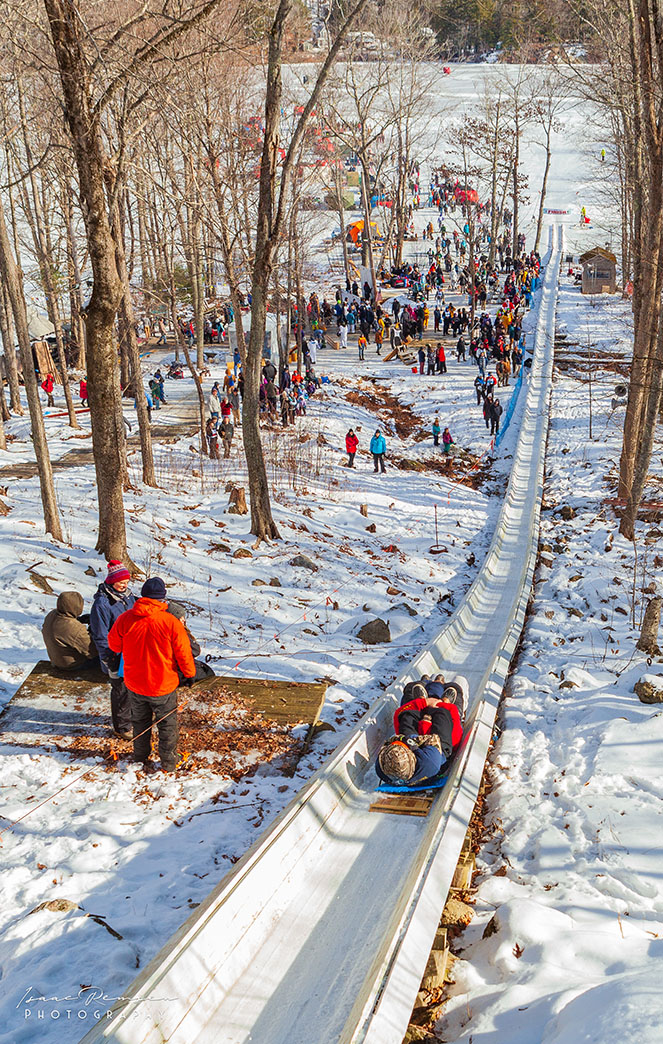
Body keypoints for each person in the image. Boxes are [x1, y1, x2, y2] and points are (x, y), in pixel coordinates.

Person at [108, 577, 195, 774]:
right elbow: (184, 653)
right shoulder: (170, 622)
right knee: (167, 725)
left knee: (140, 722)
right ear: (162, 598)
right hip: (162, 685)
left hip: (135, 683)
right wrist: (189, 674)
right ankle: (169, 763)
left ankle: (140, 757)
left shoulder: (126, 618)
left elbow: (114, 645)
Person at [375, 679, 465, 787]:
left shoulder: (380, 768)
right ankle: (439, 691)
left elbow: (400, 715)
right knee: (453, 692)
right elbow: (446, 719)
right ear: (412, 753)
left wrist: (423, 703)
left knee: (408, 705)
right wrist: (439, 704)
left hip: (421, 745)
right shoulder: (430, 760)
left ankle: (426, 683)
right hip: (441, 750)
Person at [90, 561, 136, 740]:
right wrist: (109, 658)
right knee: (121, 690)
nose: (124, 585)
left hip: (130, 651)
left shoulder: (128, 596)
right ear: (111, 582)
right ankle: (122, 728)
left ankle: (130, 718)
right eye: (121, 582)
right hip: (114, 654)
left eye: (126, 581)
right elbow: (100, 635)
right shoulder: (102, 604)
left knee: (132, 688)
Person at [42, 592, 97, 670]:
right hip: (72, 665)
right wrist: (93, 630)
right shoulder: (74, 628)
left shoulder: (52, 615)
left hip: (57, 659)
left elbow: (63, 629)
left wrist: (78, 620)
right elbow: (92, 651)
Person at [167, 602, 215, 682]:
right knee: (207, 674)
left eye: (183, 617)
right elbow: (192, 652)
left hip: (173, 668)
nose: (183, 620)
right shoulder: (177, 632)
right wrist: (190, 674)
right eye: (180, 617)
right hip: (174, 670)